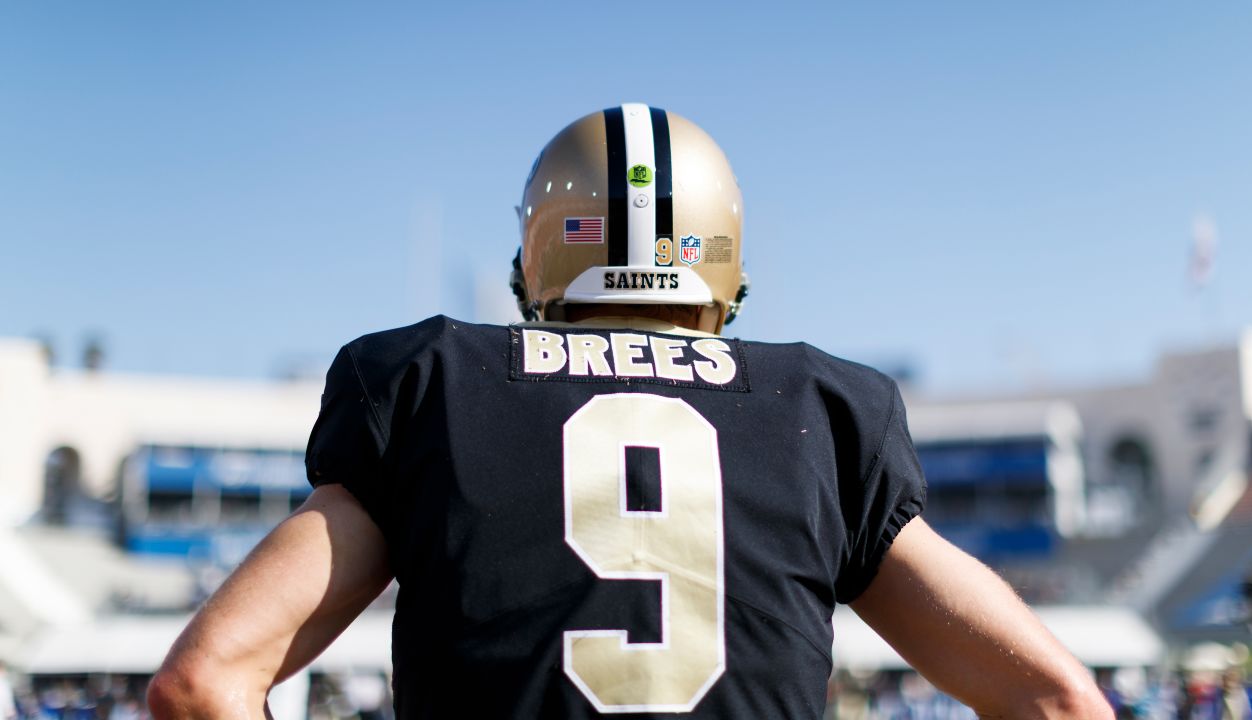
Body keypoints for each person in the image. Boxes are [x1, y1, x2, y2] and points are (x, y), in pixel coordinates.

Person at [148, 104, 1111, 719]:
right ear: (725, 265)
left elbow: (202, 684)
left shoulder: (432, 381)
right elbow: (1058, 701)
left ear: (535, 258)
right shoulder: (820, 407)